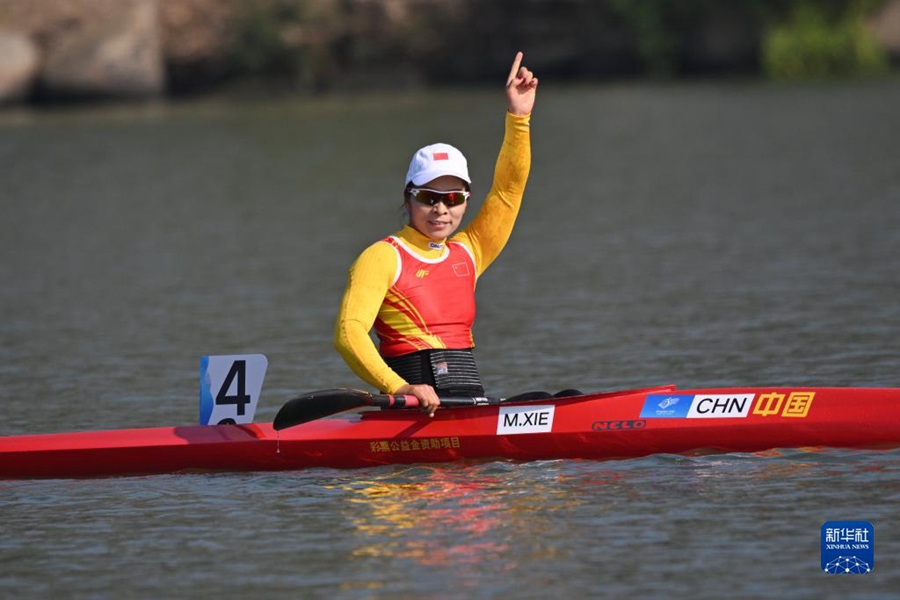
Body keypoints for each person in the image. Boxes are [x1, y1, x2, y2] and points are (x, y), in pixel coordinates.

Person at [334, 52, 538, 416]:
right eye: (429, 197)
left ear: (464, 201)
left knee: (564, 394)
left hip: (468, 407)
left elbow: (508, 191)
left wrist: (519, 118)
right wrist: (401, 386)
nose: (441, 209)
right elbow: (349, 333)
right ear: (408, 199)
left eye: (453, 198)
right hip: (410, 414)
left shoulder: (469, 252)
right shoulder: (382, 257)